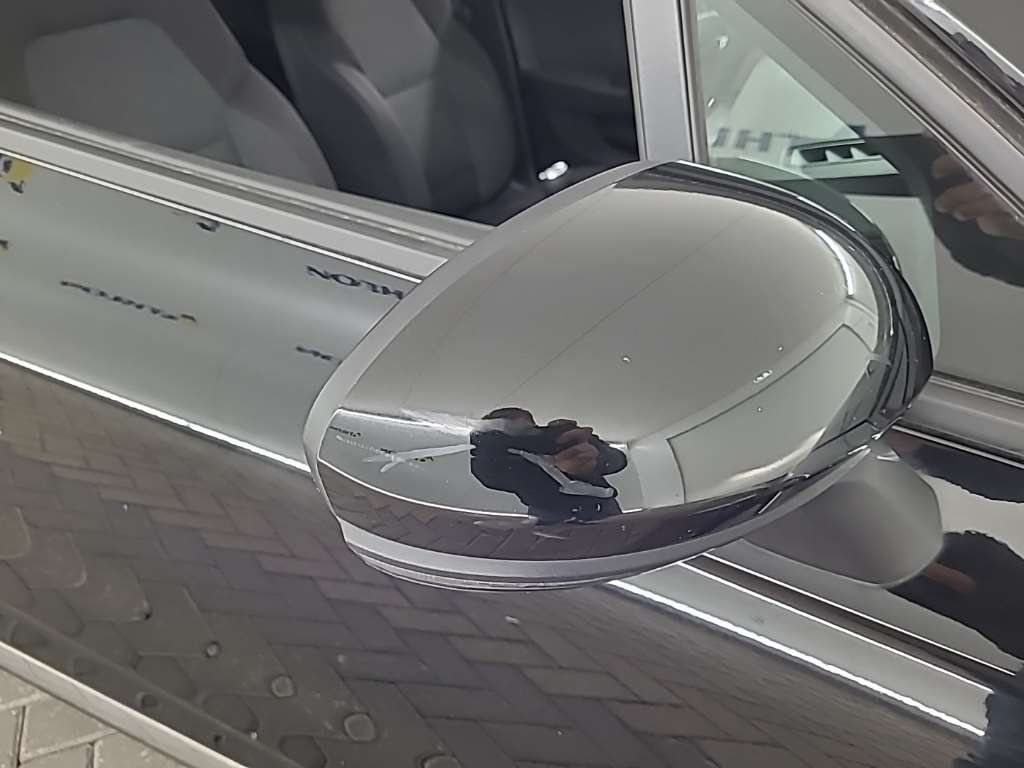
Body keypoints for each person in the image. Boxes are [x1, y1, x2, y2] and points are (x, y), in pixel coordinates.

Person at [469, 407, 627, 525]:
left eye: (530, 431)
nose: (524, 439)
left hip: (604, 510)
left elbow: (619, 460)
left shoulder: (561, 441)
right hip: (547, 519)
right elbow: (491, 474)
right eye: (508, 433)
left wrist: (596, 456)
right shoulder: (494, 461)